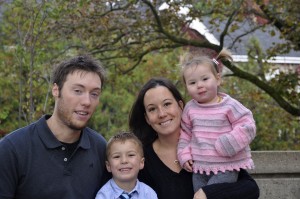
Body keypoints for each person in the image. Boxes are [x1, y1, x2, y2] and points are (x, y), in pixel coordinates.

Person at [129, 77, 259, 199]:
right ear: (147, 118)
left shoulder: (206, 143)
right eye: (152, 109)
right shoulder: (142, 159)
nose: (162, 114)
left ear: (180, 106)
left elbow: (251, 189)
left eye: (167, 104)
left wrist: (209, 193)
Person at [0, 55, 110, 199]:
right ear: (56, 90)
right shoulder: (12, 149)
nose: (87, 101)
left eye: (94, 94)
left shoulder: (100, 148)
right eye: (78, 91)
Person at [177, 49, 256, 192]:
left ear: (218, 79)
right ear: (187, 87)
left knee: (211, 195)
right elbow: (185, 134)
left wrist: (229, 143)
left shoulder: (229, 105)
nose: (199, 85)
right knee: (199, 196)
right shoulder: (190, 109)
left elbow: (248, 125)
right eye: (192, 82)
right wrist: (184, 154)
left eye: (205, 79)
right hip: (199, 167)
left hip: (227, 166)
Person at [95, 131, 158, 199]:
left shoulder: (148, 194)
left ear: (141, 163)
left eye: (131, 155)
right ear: (108, 166)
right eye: (117, 156)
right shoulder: (103, 196)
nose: (124, 161)